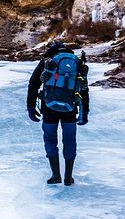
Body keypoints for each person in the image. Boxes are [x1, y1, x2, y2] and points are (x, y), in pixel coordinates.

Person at [26, 41, 89, 186]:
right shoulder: (77, 63)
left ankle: (55, 175)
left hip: (49, 108)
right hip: (70, 108)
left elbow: (33, 83)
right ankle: (68, 177)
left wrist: (30, 106)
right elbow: (84, 89)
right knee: (70, 140)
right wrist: (85, 111)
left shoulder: (48, 62)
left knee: (50, 139)